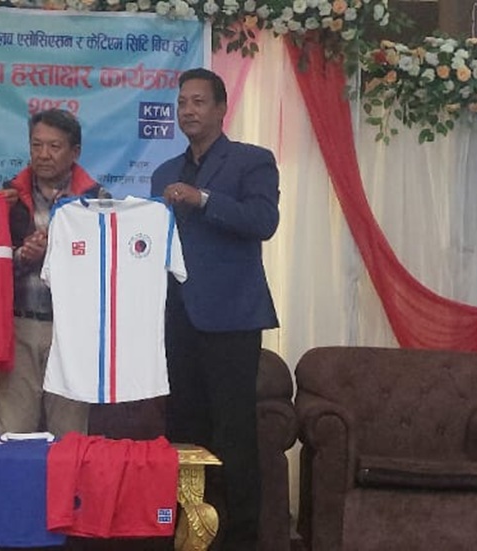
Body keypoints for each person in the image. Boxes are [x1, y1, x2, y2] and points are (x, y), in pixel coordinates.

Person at [150, 68, 280, 551]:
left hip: (231, 320)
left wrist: (203, 199)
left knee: (233, 433)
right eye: (182, 102)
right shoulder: (164, 172)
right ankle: (186, 534)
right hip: (177, 319)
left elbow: (263, 220)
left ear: (222, 109)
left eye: (198, 102)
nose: (188, 110)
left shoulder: (252, 160)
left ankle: (241, 538)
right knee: (183, 430)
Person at [0, 108, 105, 437]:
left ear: (75, 152)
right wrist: (22, 257)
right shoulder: (6, 198)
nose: (43, 154)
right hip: (17, 327)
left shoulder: (97, 201)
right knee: (14, 433)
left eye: (54, 146)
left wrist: (55, 254)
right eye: (36, 145)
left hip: (72, 331)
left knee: (69, 436)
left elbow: (103, 272)